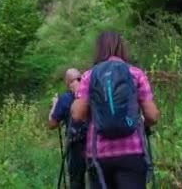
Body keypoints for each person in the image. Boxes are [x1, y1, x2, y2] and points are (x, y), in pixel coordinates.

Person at [71, 31, 160, 189]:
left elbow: (77, 115)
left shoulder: (89, 76)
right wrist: (145, 124)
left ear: (98, 49)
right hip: (131, 152)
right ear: (121, 47)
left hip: (99, 156)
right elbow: (152, 115)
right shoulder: (136, 73)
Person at [49, 68, 88, 189]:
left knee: (76, 181)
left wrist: (55, 104)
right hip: (95, 142)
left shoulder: (65, 99)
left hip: (75, 145)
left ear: (67, 83)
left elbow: (52, 124)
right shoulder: (92, 93)